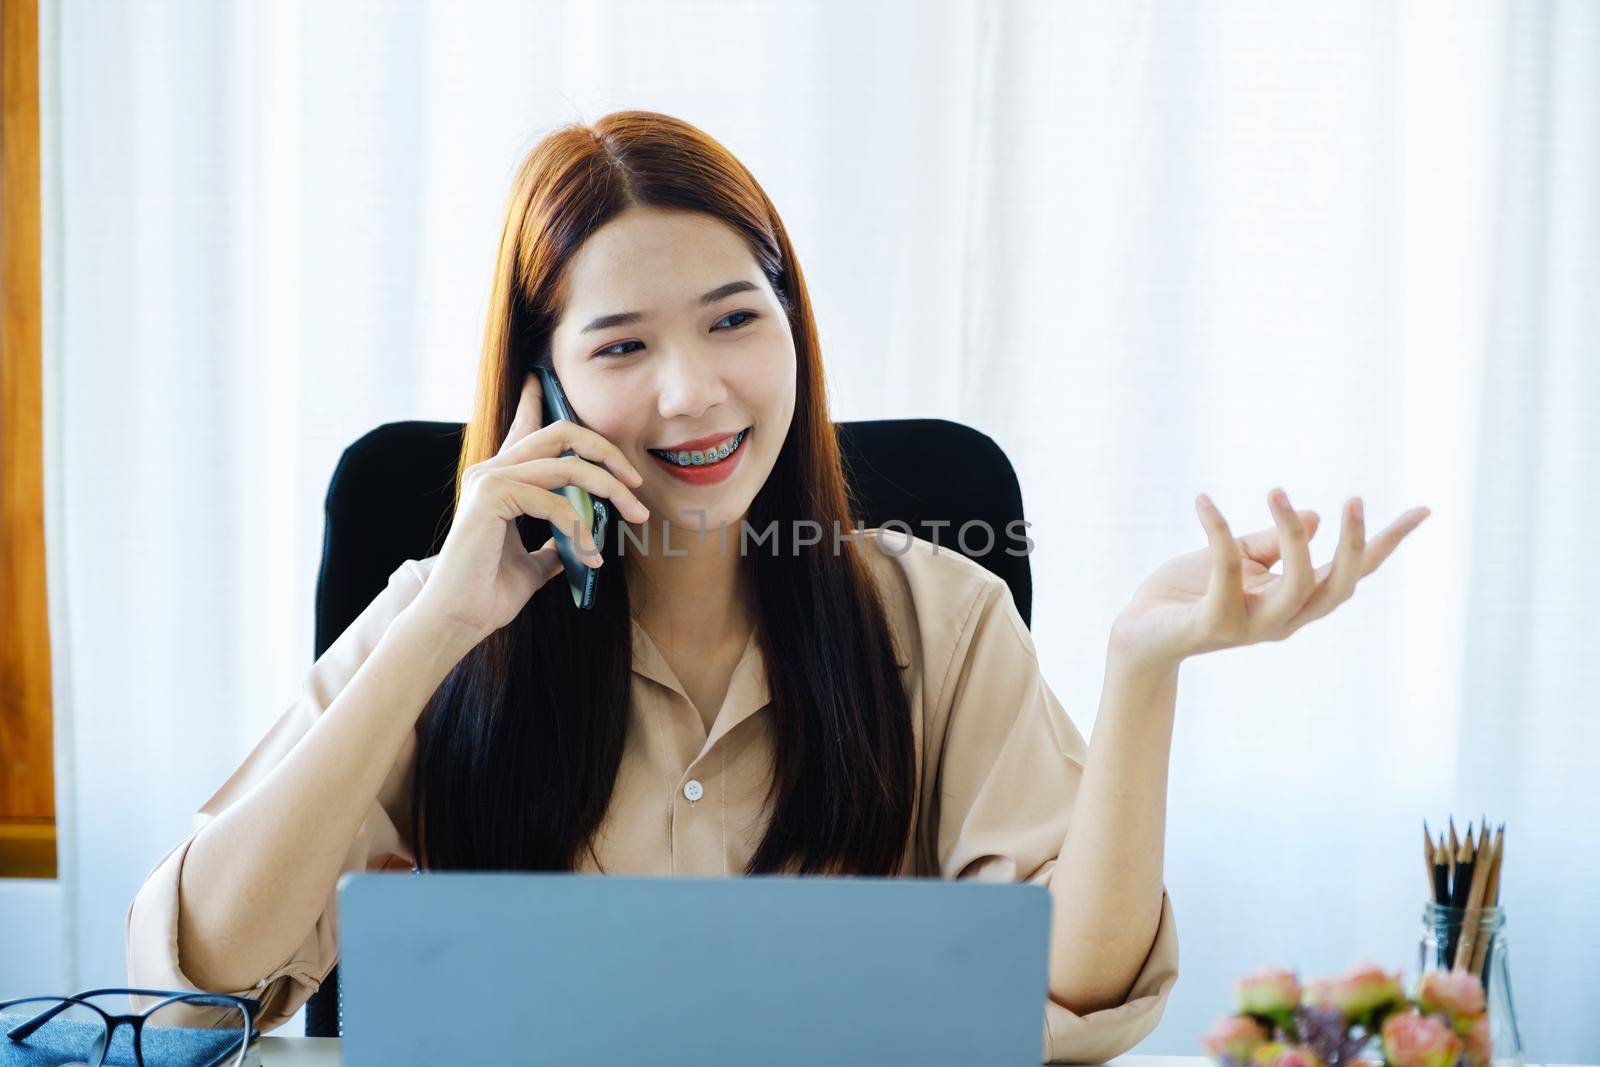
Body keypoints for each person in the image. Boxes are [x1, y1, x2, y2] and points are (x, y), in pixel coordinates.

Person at [125, 110, 1429, 1063]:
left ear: (794, 323)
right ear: (545, 386)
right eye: (624, 345)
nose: (694, 391)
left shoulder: (938, 614)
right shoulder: (440, 614)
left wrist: (1144, 670)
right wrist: (439, 627)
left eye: (735, 318)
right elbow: (197, 990)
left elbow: (1076, 997)